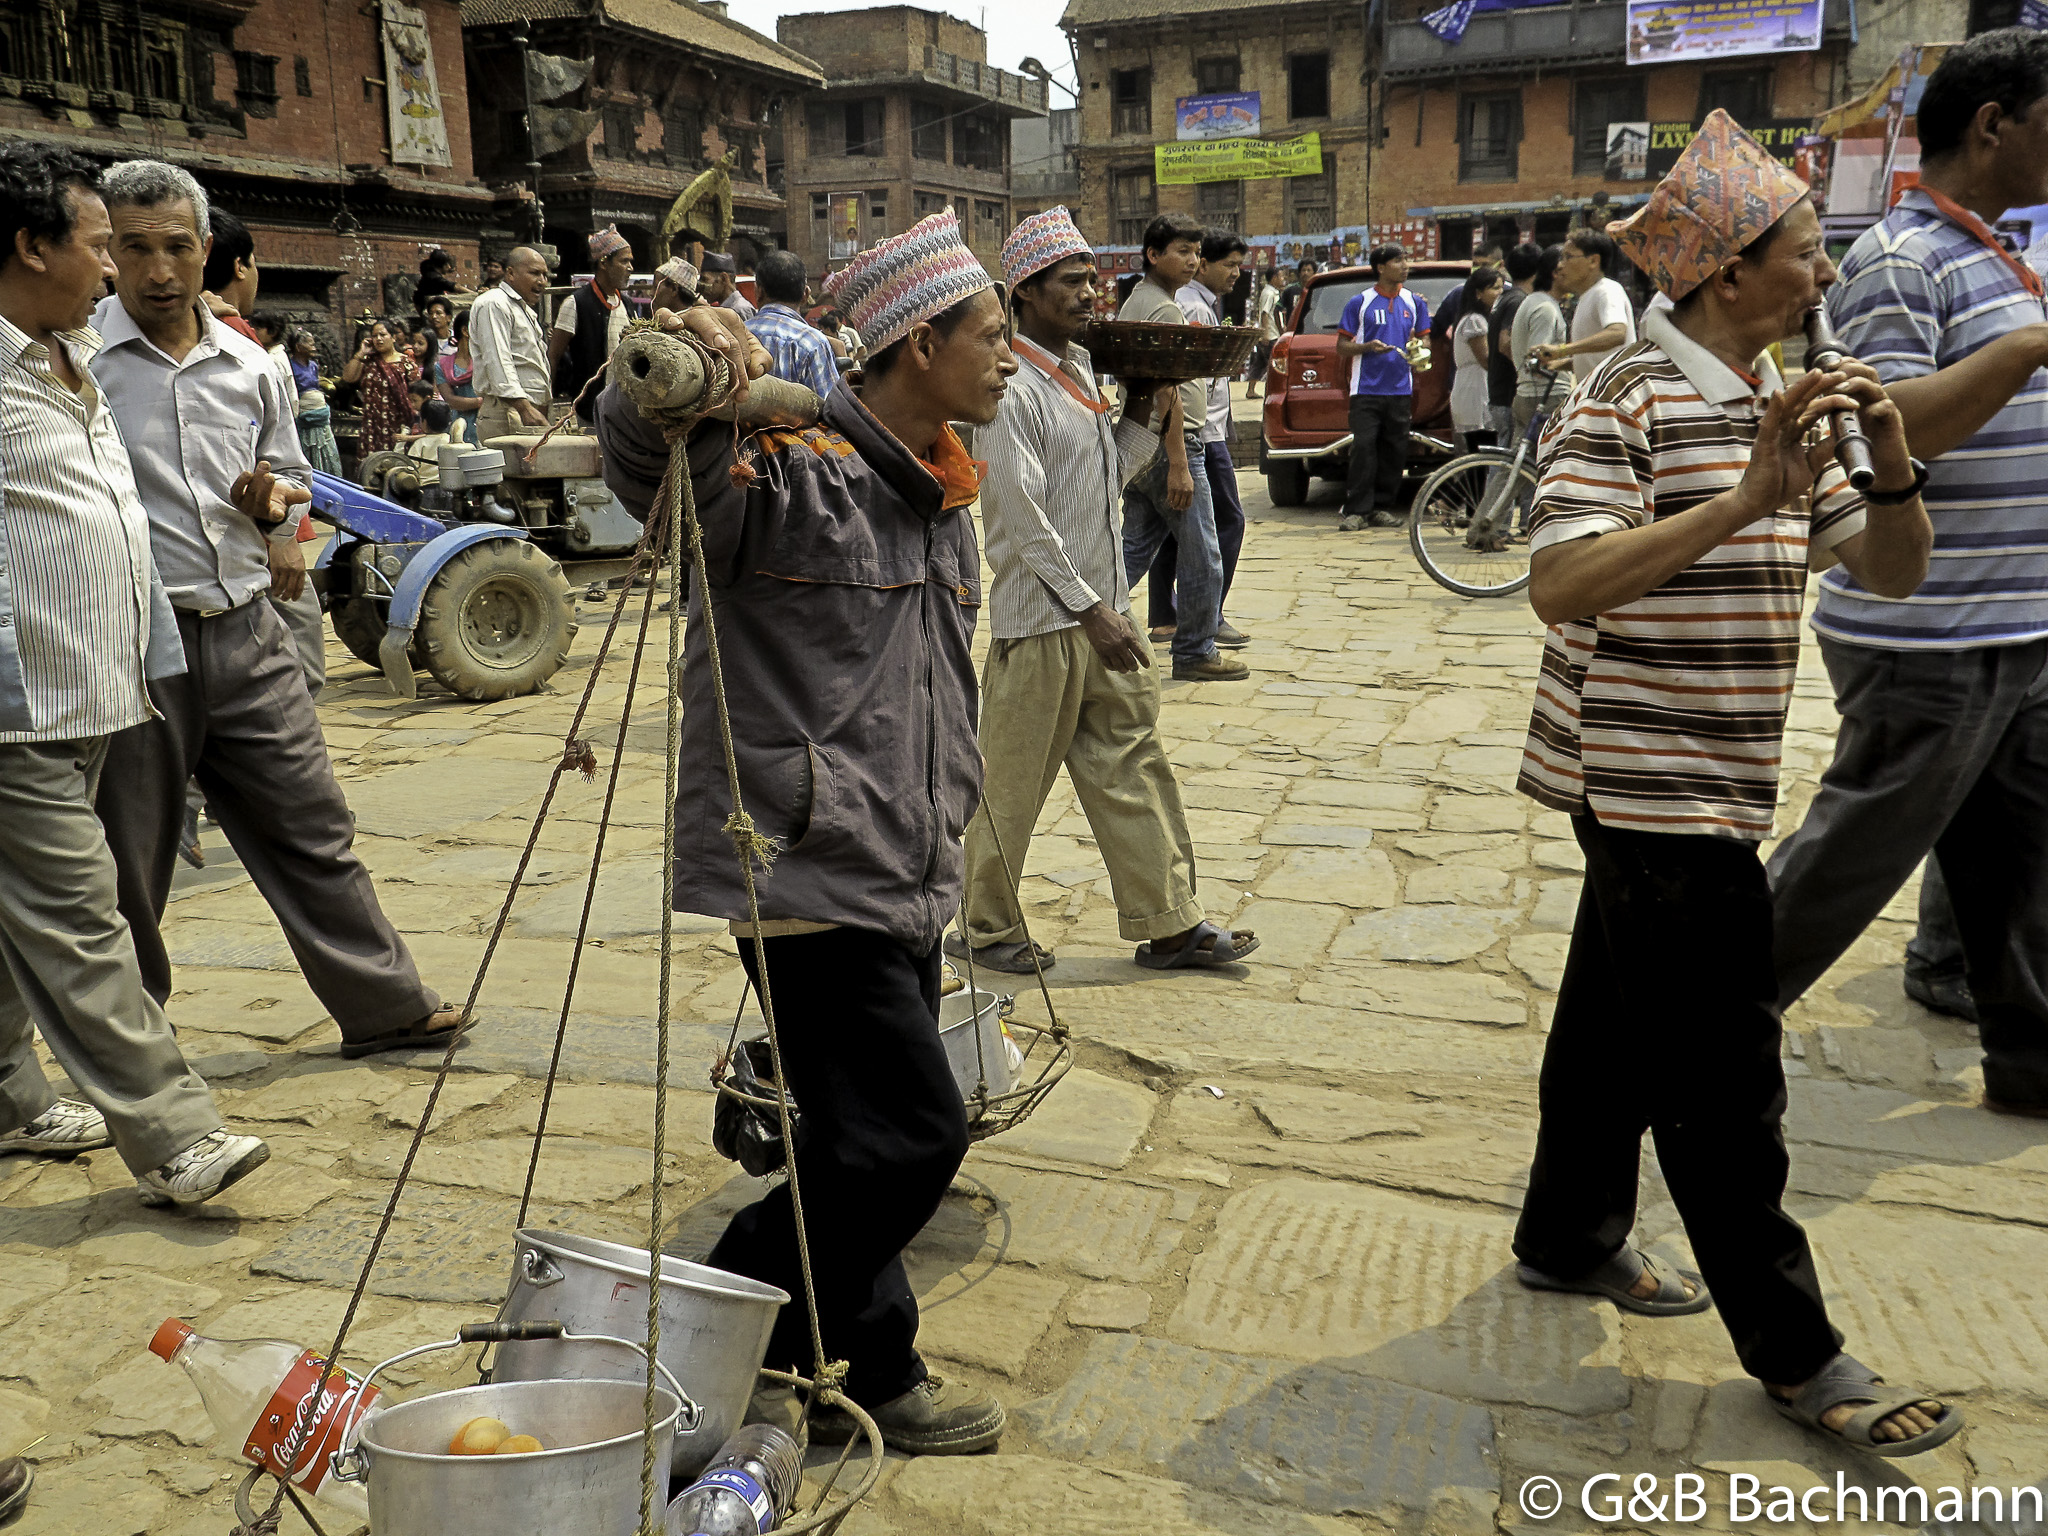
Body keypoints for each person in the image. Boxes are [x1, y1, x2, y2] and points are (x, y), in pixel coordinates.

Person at [1512, 111, 1958, 1459]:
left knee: (1607, 1029)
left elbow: (1890, 571)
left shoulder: (1777, 394)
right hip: (1652, 781)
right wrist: (1741, 495)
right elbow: (1559, 581)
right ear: (1722, 272)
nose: (1827, 277)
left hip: (1712, 773)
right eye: (1808, 253)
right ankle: (1798, 1351)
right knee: (1722, 1080)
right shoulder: (1630, 398)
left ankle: (1567, 1235)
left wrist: (1884, 463)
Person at [594, 209, 1011, 1455]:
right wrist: (678, 372)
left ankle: (869, 1367)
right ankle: (710, 1319)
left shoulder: (935, 486)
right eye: (988, 335)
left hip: (901, 852)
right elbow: (642, 458)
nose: (1006, 357)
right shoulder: (787, 475)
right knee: (913, 1133)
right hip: (801, 864)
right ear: (918, 342)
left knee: (849, 1133)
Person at [89, 159, 470, 1064]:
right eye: (134, 248)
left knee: (312, 823)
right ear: (108, 254)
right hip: (134, 646)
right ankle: (133, 1053)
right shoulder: (74, 359)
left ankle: (383, 1006)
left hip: (247, 630)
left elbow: (293, 473)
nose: (158, 270)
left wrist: (276, 512)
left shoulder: (249, 363)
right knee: (126, 862)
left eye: (176, 247)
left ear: (205, 249)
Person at [1769, 28, 2048, 1118]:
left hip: (2016, 621)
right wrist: (2025, 352)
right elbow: (1879, 430)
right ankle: (1687, 1026)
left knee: (2021, 869)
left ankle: (2029, 1063)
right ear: (1992, 125)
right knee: (1847, 861)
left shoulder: (1992, 254)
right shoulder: (1900, 260)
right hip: (1929, 628)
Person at [0, 143, 271, 1206]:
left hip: (97, 685)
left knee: (19, 908)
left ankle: (10, 1099)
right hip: (15, 701)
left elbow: (109, 523)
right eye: (102, 247)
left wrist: (154, 666)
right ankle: (172, 1134)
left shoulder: (66, 364)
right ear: (33, 246)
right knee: (80, 914)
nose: (116, 273)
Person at [954, 206, 1259, 978]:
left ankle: (1171, 923)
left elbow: (1105, 481)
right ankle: (985, 928)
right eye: (1070, 281)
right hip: (1045, 623)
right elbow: (1022, 523)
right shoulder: (1009, 389)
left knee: (1134, 765)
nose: (1089, 293)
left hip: (1102, 616)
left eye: (1091, 278)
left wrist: (1142, 415)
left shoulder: (1084, 373)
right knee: (1011, 786)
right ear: (1025, 290)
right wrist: (1092, 611)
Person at [1116, 213, 1245, 682]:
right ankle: (1194, 651)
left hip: (1138, 440)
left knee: (1131, 550)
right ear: (1154, 255)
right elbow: (1165, 390)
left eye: (1196, 252)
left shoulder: (1138, 300)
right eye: (1182, 252)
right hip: (1171, 442)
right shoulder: (1165, 311)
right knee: (1203, 554)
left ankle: (1076, 622)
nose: (1192, 261)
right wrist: (1178, 463)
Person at [1146, 229, 1250, 650]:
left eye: (1239, 266)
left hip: (1203, 430)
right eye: (1228, 264)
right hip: (1196, 435)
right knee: (1224, 524)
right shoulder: (1187, 308)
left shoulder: (1193, 304)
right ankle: (1205, 616)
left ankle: (1166, 617)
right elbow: (1180, 385)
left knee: (1164, 530)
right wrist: (1192, 449)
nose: (1236, 274)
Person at [1335, 242, 1428, 532]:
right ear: (1381, 267)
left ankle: (1381, 507)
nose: (1405, 265)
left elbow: (1425, 339)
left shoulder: (1415, 302)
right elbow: (1342, 346)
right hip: (1365, 391)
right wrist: (1366, 347)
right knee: (1364, 448)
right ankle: (1356, 510)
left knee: (1394, 451)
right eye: (1398, 261)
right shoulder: (1359, 302)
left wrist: (1420, 351)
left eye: (1406, 260)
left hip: (1401, 390)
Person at [469, 245, 555, 442]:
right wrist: (524, 408)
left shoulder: (522, 308)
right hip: (508, 411)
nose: (542, 281)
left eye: (544, 275)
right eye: (535, 273)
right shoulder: (494, 303)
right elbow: (497, 360)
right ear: (510, 273)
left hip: (527, 410)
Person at [552, 225, 634, 414]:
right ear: (604, 262)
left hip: (624, 407)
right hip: (590, 408)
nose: (630, 268)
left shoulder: (627, 305)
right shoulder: (576, 303)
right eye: (624, 261)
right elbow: (554, 355)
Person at [1537, 227, 1635, 379]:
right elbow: (1596, 357)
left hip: (1613, 394)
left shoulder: (1606, 290)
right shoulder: (1587, 296)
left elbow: (1617, 333)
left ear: (1593, 261)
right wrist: (1560, 363)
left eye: (1568, 257)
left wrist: (1562, 349)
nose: (1560, 265)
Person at [745, 248, 839, 398]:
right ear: (805, 295)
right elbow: (829, 409)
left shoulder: (736, 335)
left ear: (758, 292)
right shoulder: (813, 342)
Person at [1487, 242, 1542, 452]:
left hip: (1499, 392)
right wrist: (1528, 370)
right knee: (1509, 462)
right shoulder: (1519, 301)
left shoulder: (1506, 298)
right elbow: (1505, 343)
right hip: (1509, 394)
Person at [1510, 246, 1568, 444]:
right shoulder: (1544, 308)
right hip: (1546, 395)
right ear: (1556, 273)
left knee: (1519, 468)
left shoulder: (1533, 301)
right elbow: (1538, 360)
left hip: (1527, 394)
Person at [1450, 266, 1502, 453]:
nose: (1500, 293)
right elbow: (1486, 360)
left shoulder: (1481, 319)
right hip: (1476, 388)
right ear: (1479, 293)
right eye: (1495, 288)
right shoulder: (1475, 321)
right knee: (1483, 450)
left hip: (1475, 386)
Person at [434, 308, 480, 443]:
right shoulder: (442, 366)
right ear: (465, 331)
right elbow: (451, 400)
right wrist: (483, 402)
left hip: (487, 423)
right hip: (459, 426)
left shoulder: (485, 362)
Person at [1246, 266, 1284, 398]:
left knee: (1259, 363)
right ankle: (1273, 390)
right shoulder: (1269, 293)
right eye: (1281, 276)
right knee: (1274, 365)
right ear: (1274, 278)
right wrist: (1266, 334)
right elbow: (1264, 314)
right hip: (1271, 334)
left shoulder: (1271, 292)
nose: (1283, 279)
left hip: (1270, 334)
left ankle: (1250, 390)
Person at [700, 252, 755, 320]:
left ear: (723, 278)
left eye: (705, 279)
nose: (702, 286)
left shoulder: (740, 309)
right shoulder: (726, 308)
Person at [412, 246, 465, 312]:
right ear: (440, 265)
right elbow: (454, 287)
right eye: (446, 264)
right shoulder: (434, 278)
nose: (449, 266)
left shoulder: (429, 272)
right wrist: (473, 293)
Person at [1279, 257, 1316, 326]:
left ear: (1314, 273)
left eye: (1308, 270)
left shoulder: (1317, 290)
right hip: (1293, 330)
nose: (1305, 273)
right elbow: (1277, 309)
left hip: (1312, 329)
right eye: (1303, 270)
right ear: (1299, 272)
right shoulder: (1290, 290)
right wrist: (1281, 329)